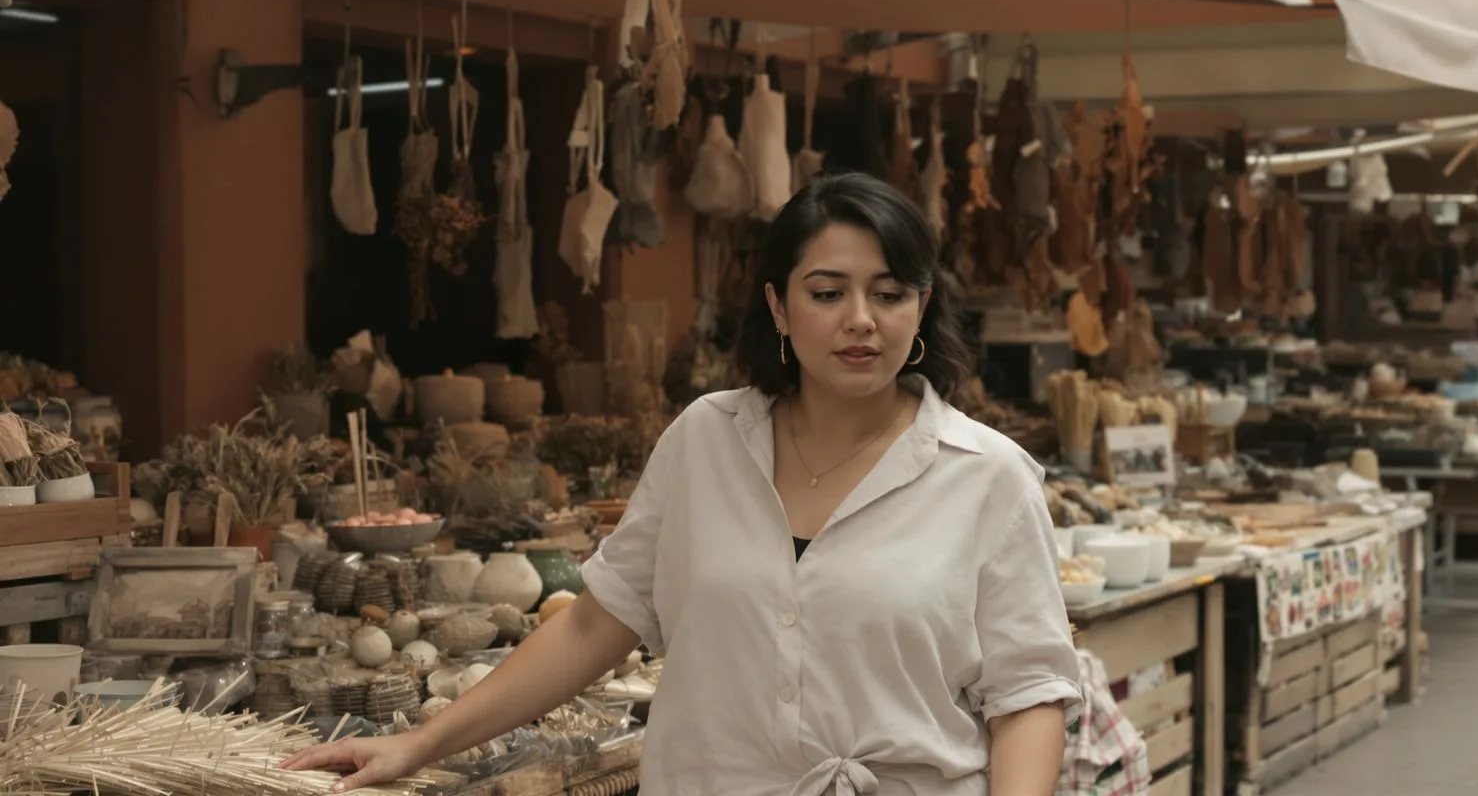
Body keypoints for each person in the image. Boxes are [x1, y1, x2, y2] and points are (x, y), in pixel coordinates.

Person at [281, 172, 1081, 796]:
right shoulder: (706, 441)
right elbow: (599, 625)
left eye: (890, 293)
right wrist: (419, 741)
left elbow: (1028, 699)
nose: (861, 319)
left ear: (923, 306)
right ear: (778, 303)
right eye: (828, 292)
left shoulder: (987, 478)